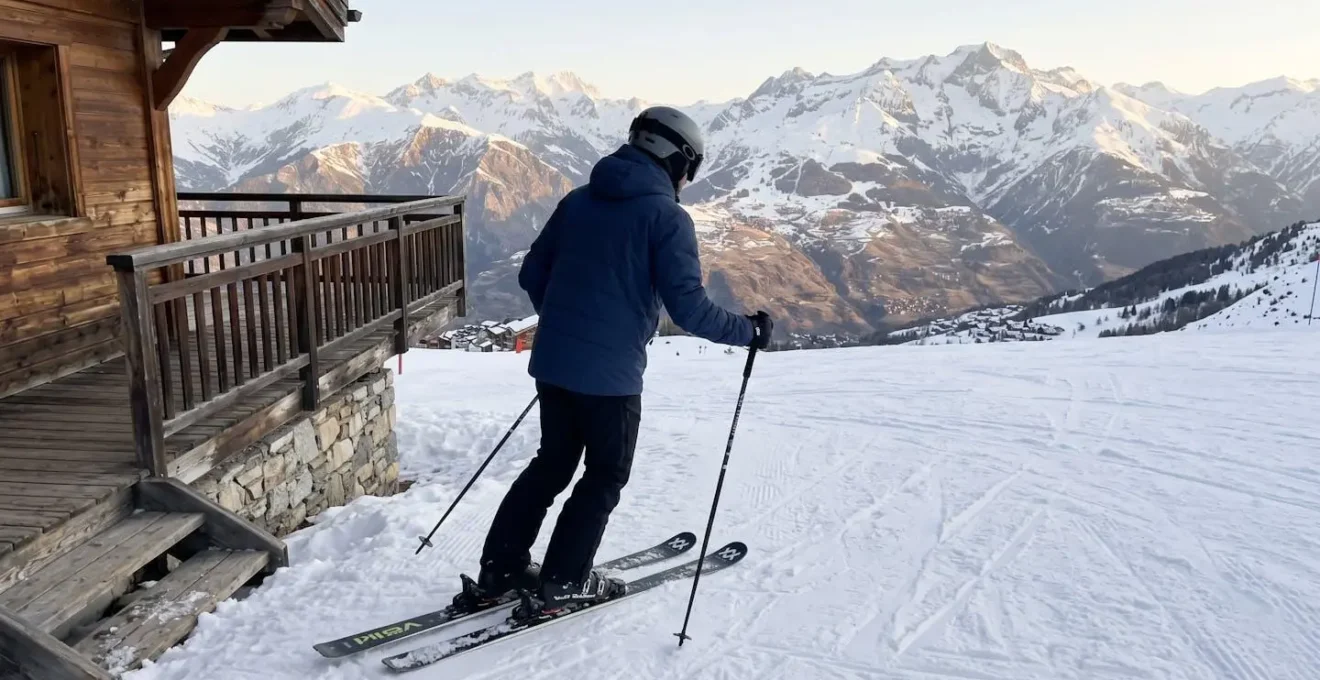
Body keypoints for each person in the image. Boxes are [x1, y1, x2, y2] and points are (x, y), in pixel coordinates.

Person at [453, 106, 773, 618]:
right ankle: (562, 584)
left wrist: (565, 323)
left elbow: (533, 272)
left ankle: (500, 571)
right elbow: (689, 309)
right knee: (604, 476)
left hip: (554, 363)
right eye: (693, 168)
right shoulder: (667, 218)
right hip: (610, 378)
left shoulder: (578, 201)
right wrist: (749, 331)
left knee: (550, 466)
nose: (690, 181)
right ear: (677, 159)